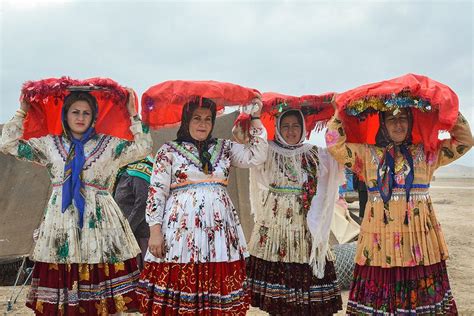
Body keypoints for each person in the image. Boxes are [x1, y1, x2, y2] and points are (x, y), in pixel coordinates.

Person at [0, 88, 153, 315]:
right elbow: (8, 144)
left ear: (94, 117)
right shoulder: (50, 145)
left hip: (101, 223)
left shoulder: (109, 145)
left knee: (104, 295)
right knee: (64, 287)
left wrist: (133, 114)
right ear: (65, 115)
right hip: (62, 223)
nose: (80, 118)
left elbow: (143, 148)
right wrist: (22, 110)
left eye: (86, 113)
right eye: (75, 112)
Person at [326, 106, 473, 314]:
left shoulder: (427, 153)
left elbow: (465, 141)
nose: (398, 124)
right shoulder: (367, 156)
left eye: (403, 118)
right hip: (380, 243)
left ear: (411, 122)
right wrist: (340, 112)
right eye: (391, 120)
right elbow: (334, 144)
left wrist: (447, 107)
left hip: (418, 242)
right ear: (383, 124)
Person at [136, 97, 268, 315]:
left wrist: (255, 118)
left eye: (208, 119)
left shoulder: (225, 147)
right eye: (197, 118)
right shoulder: (168, 151)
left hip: (219, 234)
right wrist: (155, 232)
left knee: (216, 291)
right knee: (182, 288)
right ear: (186, 120)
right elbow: (156, 193)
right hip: (181, 235)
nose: (202, 124)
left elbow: (256, 156)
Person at [246, 109, 343, 316]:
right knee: (279, 287)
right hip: (276, 224)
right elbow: (247, 144)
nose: (290, 131)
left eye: (295, 126)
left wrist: (337, 116)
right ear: (278, 129)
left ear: (303, 128)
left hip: (306, 222)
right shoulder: (269, 150)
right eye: (285, 126)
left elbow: (338, 155)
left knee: (308, 275)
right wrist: (252, 116)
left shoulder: (315, 152)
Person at [113, 156, 154, 270]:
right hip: (129, 234)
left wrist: (128, 230)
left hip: (138, 236)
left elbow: (142, 203)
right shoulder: (126, 170)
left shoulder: (139, 172)